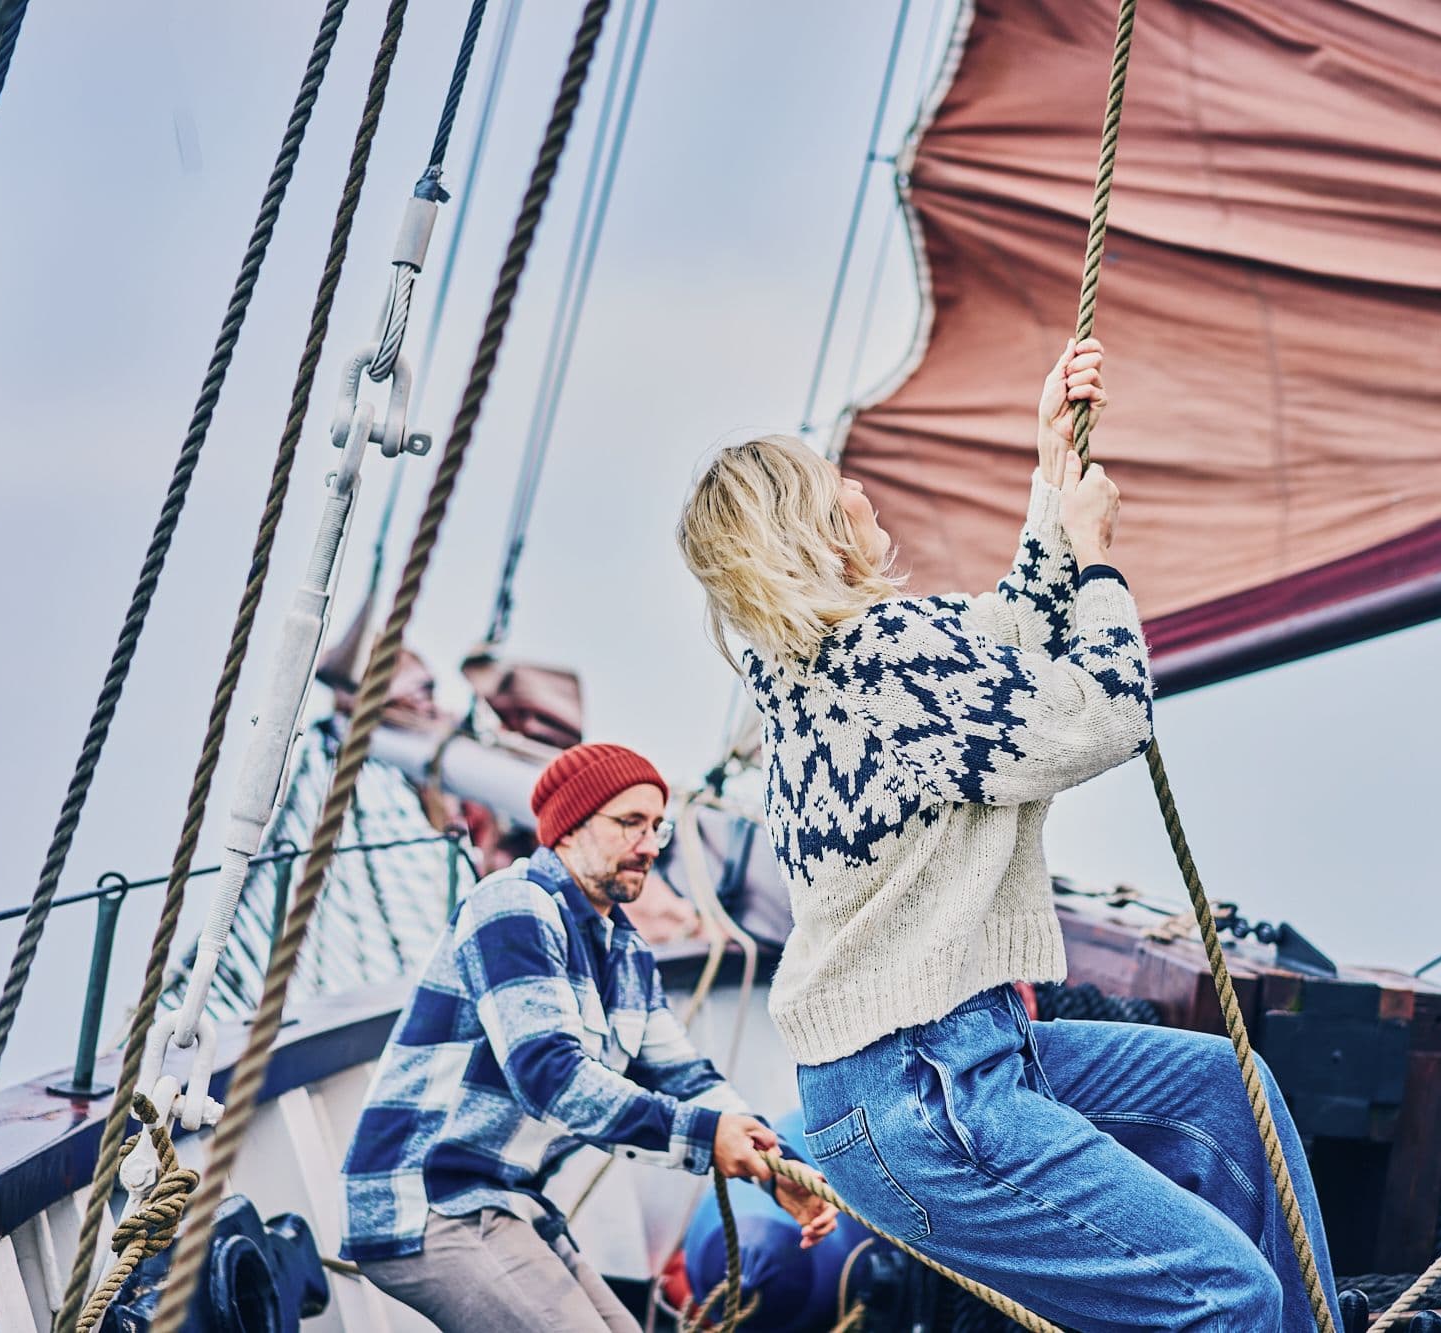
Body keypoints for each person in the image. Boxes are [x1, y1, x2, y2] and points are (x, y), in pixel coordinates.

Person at [676, 340, 1340, 1332]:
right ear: (810, 524)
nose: (859, 488)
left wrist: (1052, 477)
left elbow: (1003, 631)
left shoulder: (823, 665)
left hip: (915, 1076)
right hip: (928, 1089)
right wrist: (1102, 558)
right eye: (835, 483)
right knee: (1221, 1294)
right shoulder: (882, 659)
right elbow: (1103, 712)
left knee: (1219, 1093)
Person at [340, 742, 837, 1332]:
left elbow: (686, 1078)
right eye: (629, 823)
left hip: (510, 1204)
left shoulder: (625, 952)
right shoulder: (512, 905)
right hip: (427, 1202)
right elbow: (548, 1076)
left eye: (657, 826)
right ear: (570, 827)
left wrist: (775, 1167)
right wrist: (709, 1138)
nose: (651, 845)